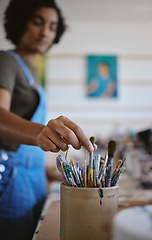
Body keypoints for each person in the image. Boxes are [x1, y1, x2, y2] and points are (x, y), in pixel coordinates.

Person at [0, 0, 96, 239]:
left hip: (32, 176)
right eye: (37, 22)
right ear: (20, 22)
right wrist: (39, 133)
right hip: (11, 175)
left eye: (52, 27)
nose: (45, 32)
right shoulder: (6, 61)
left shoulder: (33, 71)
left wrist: (47, 171)